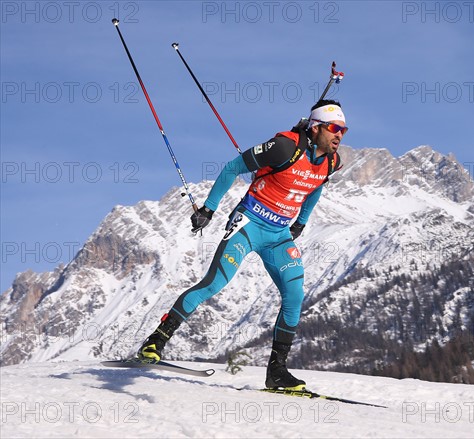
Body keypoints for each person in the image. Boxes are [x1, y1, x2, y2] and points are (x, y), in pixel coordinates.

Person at [137, 99, 348, 390]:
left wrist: (301, 221)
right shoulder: (285, 147)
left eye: (343, 130)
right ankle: (156, 341)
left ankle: (277, 372)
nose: (339, 135)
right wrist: (209, 209)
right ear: (315, 128)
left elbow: (315, 187)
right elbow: (233, 167)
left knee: (295, 295)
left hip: (278, 234)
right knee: (213, 284)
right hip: (249, 225)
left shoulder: (332, 162)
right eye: (334, 128)